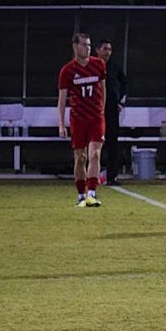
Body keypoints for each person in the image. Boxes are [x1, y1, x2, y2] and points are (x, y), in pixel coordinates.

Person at [56, 33, 107, 207]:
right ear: (75, 47)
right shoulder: (67, 71)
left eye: (89, 45)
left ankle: (92, 193)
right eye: (84, 45)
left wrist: (102, 110)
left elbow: (103, 88)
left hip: (96, 118)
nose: (88, 48)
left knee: (95, 154)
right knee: (80, 157)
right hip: (78, 119)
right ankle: (81, 195)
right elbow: (62, 100)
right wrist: (61, 124)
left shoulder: (98, 65)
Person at [97, 39, 128, 186]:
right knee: (94, 143)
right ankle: (91, 175)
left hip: (111, 109)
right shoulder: (92, 66)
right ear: (97, 50)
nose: (107, 52)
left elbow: (125, 84)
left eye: (109, 49)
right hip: (95, 110)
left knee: (112, 143)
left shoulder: (115, 67)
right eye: (105, 49)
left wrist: (121, 102)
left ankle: (111, 177)